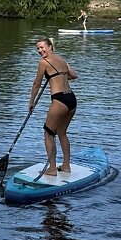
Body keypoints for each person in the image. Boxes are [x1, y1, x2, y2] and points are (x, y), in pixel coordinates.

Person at [31, 37, 79, 178]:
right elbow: (73, 75)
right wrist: (57, 78)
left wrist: (31, 102)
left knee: (48, 133)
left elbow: (36, 84)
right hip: (71, 98)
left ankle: (52, 169)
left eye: (42, 47)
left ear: (50, 46)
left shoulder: (43, 63)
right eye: (38, 49)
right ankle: (66, 166)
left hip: (60, 100)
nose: (40, 51)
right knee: (62, 132)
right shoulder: (61, 59)